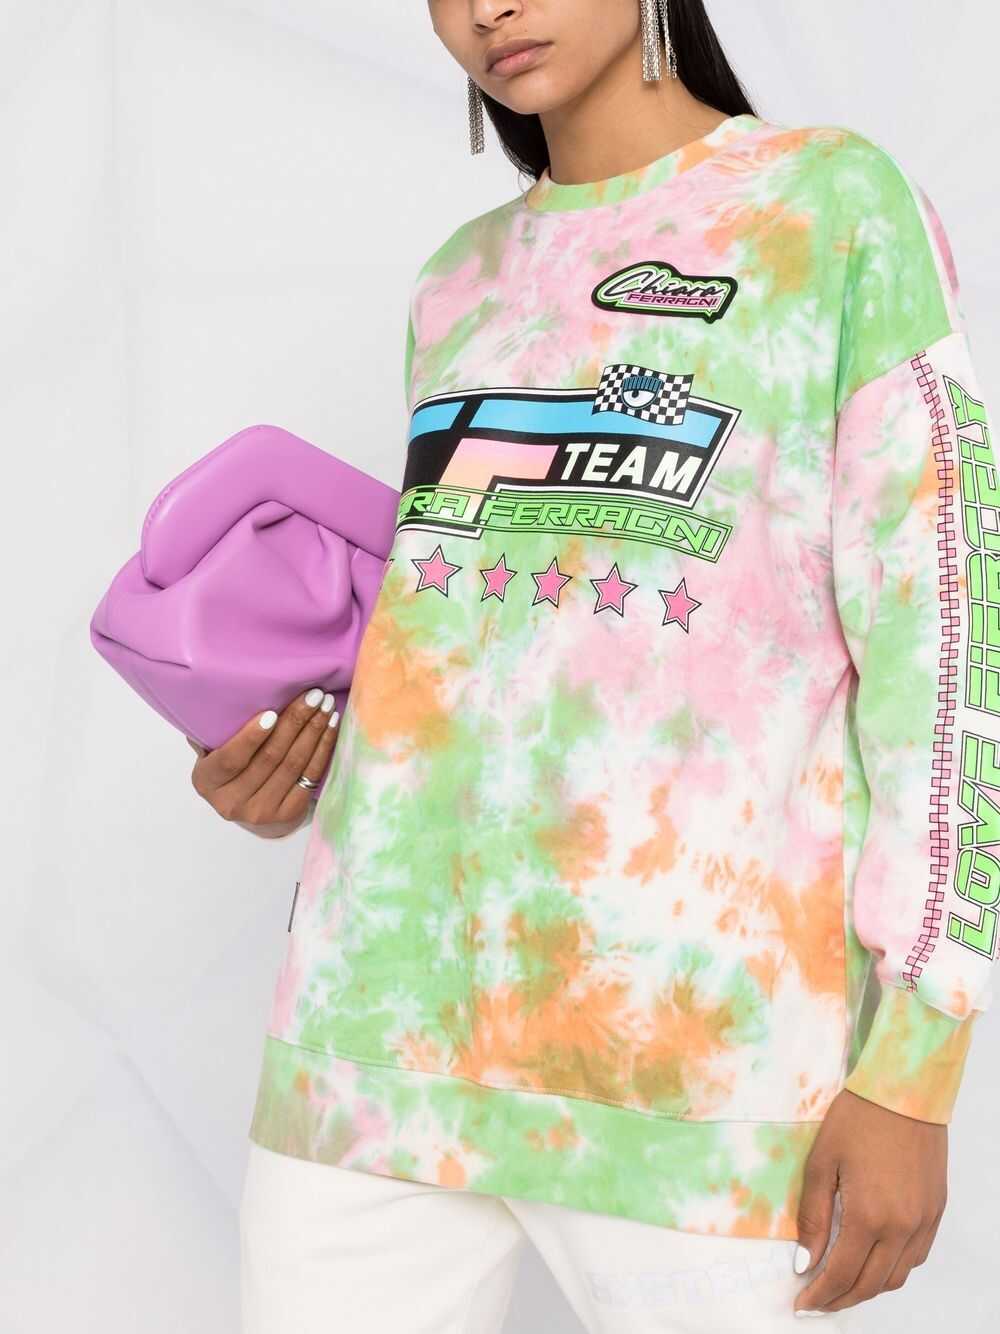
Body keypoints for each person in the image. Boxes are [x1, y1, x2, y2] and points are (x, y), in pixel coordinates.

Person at [188, 1, 998, 1329]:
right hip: (369, 1055)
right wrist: (284, 752)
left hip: (701, 1076)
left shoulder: (830, 207)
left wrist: (915, 1064)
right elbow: (463, 648)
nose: (487, 8)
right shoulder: (458, 281)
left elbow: (948, 640)